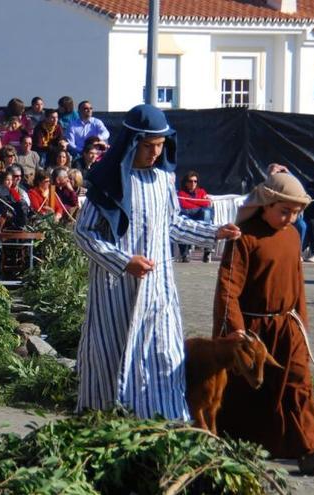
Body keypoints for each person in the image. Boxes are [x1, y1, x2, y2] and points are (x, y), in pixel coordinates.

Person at [73, 103, 240, 420]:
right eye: (148, 146)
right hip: (115, 291)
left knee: (163, 354)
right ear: (132, 143)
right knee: (111, 355)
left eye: (159, 146)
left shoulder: (164, 180)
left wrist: (214, 232)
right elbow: (83, 233)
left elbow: (173, 224)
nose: (154, 152)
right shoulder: (108, 182)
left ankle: (162, 422)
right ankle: (105, 421)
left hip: (158, 290)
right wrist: (123, 261)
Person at [214, 172, 314, 476]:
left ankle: (311, 451)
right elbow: (228, 287)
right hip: (252, 329)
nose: (290, 217)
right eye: (284, 210)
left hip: (288, 326)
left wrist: (302, 325)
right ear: (266, 203)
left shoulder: (292, 235)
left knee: (300, 384)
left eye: (296, 212)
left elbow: (297, 284)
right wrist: (235, 329)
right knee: (247, 391)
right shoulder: (243, 236)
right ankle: (238, 447)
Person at [176, 170, 214, 263]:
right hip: (187, 215)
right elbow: (184, 205)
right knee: (182, 221)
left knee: (207, 212)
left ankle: (207, 250)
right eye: (190, 181)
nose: (193, 183)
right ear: (186, 183)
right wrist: (199, 202)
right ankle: (184, 254)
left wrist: (192, 202)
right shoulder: (181, 193)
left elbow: (207, 203)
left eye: (195, 181)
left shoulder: (201, 191)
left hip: (199, 216)